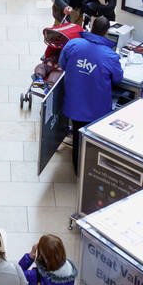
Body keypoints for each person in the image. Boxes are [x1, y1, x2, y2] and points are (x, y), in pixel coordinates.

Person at [59, 16, 124, 173]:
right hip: (97, 110)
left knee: (77, 138)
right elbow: (118, 78)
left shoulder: (73, 44)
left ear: (92, 27)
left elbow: (63, 64)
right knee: (95, 142)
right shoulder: (110, 56)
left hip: (74, 104)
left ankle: (78, 171)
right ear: (107, 32)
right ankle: (93, 174)